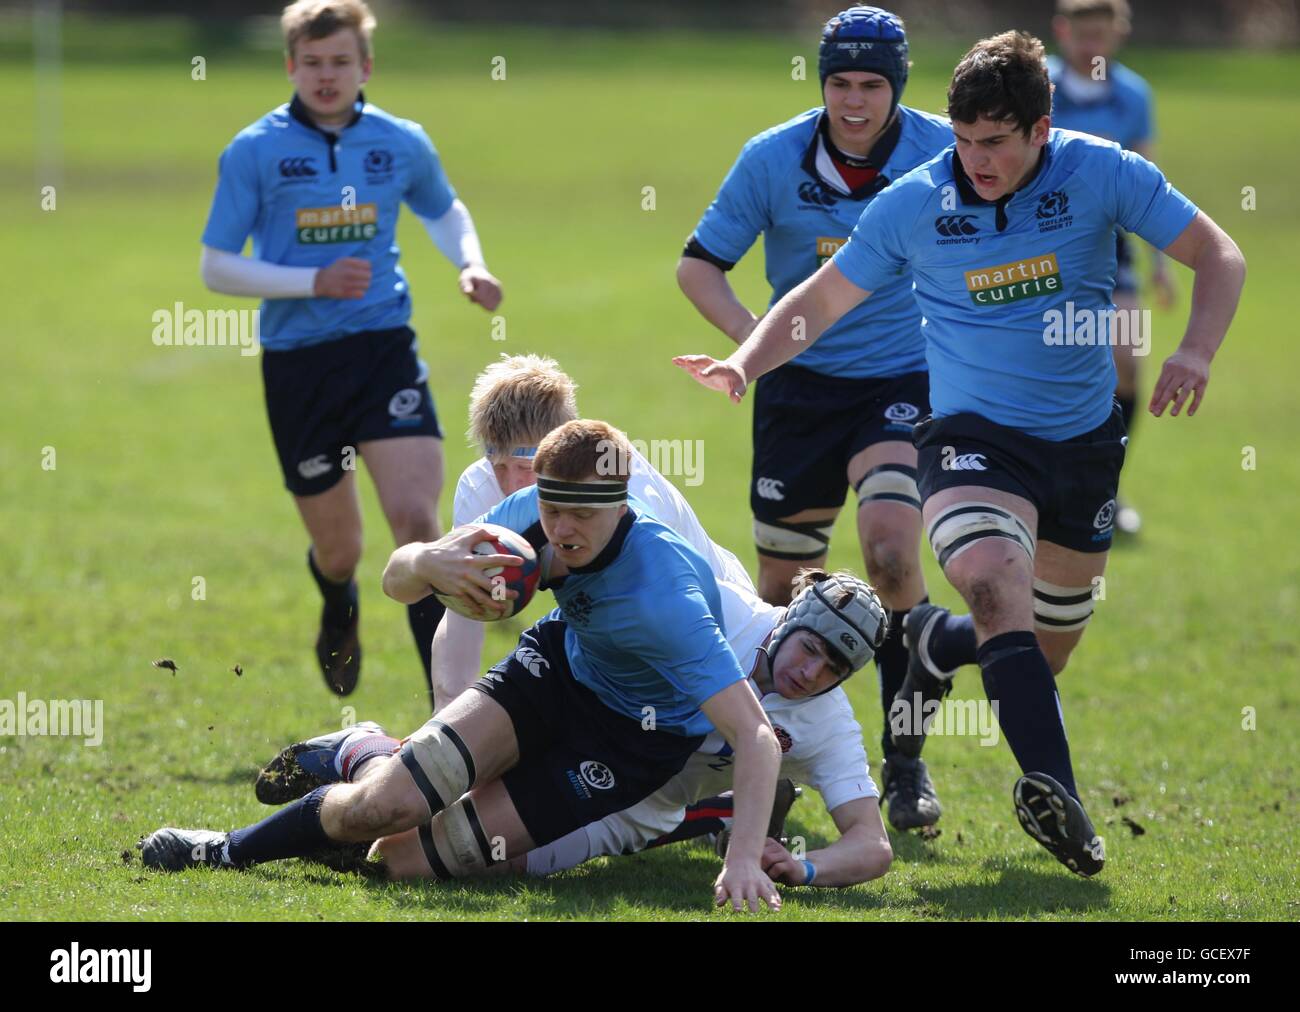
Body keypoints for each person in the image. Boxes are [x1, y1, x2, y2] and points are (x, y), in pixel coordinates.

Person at [675, 31, 1245, 876]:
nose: (975, 160)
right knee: (986, 581)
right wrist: (747, 360)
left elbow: (1217, 253)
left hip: (1083, 446)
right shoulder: (914, 201)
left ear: (1039, 130)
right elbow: (822, 297)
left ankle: (939, 649)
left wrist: (1195, 349)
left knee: (1041, 648)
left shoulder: (1101, 170)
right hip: (969, 437)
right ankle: (1061, 804)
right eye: (965, 140)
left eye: (996, 143)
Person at [140, 421, 785, 912]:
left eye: (583, 515)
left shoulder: (664, 599)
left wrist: (746, 857)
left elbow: (755, 734)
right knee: (381, 807)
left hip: (632, 743)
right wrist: (428, 563)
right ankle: (224, 848)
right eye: (553, 509)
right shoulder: (530, 517)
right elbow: (398, 581)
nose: (561, 531)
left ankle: (364, 751)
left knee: (395, 862)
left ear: (623, 503)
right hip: (556, 671)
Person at [676, 5, 954, 830]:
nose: (855, 101)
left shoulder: (942, 151)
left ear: (897, 87)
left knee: (893, 555)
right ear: (821, 82)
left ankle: (904, 761)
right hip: (797, 394)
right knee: (782, 595)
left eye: (872, 85)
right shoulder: (772, 158)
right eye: (841, 83)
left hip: (902, 379)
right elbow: (697, 268)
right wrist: (756, 348)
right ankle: (766, 758)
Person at [199, 0, 502, 695]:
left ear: (366, 66)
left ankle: (446, 714)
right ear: (291, 66)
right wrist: (313, 279)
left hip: (382, 349)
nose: (326, 75)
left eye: (340, 62)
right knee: (341, 551)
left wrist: (469, 263)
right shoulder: (255, 150)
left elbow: (443, 207)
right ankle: (339, 604)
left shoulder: (399, 141)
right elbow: (216, 265)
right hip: (299, 365)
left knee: (419, 527)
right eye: (312, 62)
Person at [373, 568, 892, 890]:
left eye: (833, 670)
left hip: (633, 806)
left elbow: (873, 845)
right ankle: (360, 750)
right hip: (577, 721)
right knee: (420, 789)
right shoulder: (721, 610)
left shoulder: (828, 723)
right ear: (787, 621)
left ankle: (716, 810)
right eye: (811, 649)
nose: (811, 673)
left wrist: (805, 868)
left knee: (438, 860)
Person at [425, 353, 750, 710]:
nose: (509, 484)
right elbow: (463, 611)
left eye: (524, 466)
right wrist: (446, 715)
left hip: (728, 635)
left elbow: (645, 612)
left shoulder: (620, 489)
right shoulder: (478, 487)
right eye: (496, 464)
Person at [1049, 0, 1175, 535]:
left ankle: (1105, 489)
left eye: (1103, 33)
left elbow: (1150, 185)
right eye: (1083, 33)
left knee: (1126, 361)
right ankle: (1043, 483)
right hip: (1044, 244)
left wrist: (1160, 265)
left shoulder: (1133, 95)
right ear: (1062, 31)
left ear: (1119, 34)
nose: (1092, 45)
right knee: (1046, 361)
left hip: (1111, 248)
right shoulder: (1039, 87)